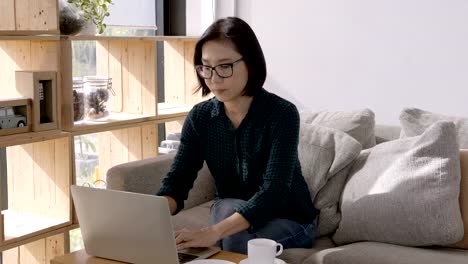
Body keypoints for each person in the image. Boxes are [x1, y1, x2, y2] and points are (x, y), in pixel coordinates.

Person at [157, 16, 318, 254]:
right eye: (206, 67)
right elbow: (177, 181)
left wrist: (212, 233)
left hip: (288, 217)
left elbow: (274, 192)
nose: (213, 78)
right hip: (230, 212)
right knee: (226, 209)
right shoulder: (200, 118)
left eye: (224, 66)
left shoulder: (282, 114)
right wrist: (148, 214)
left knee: (236, 239)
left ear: (250, 64)